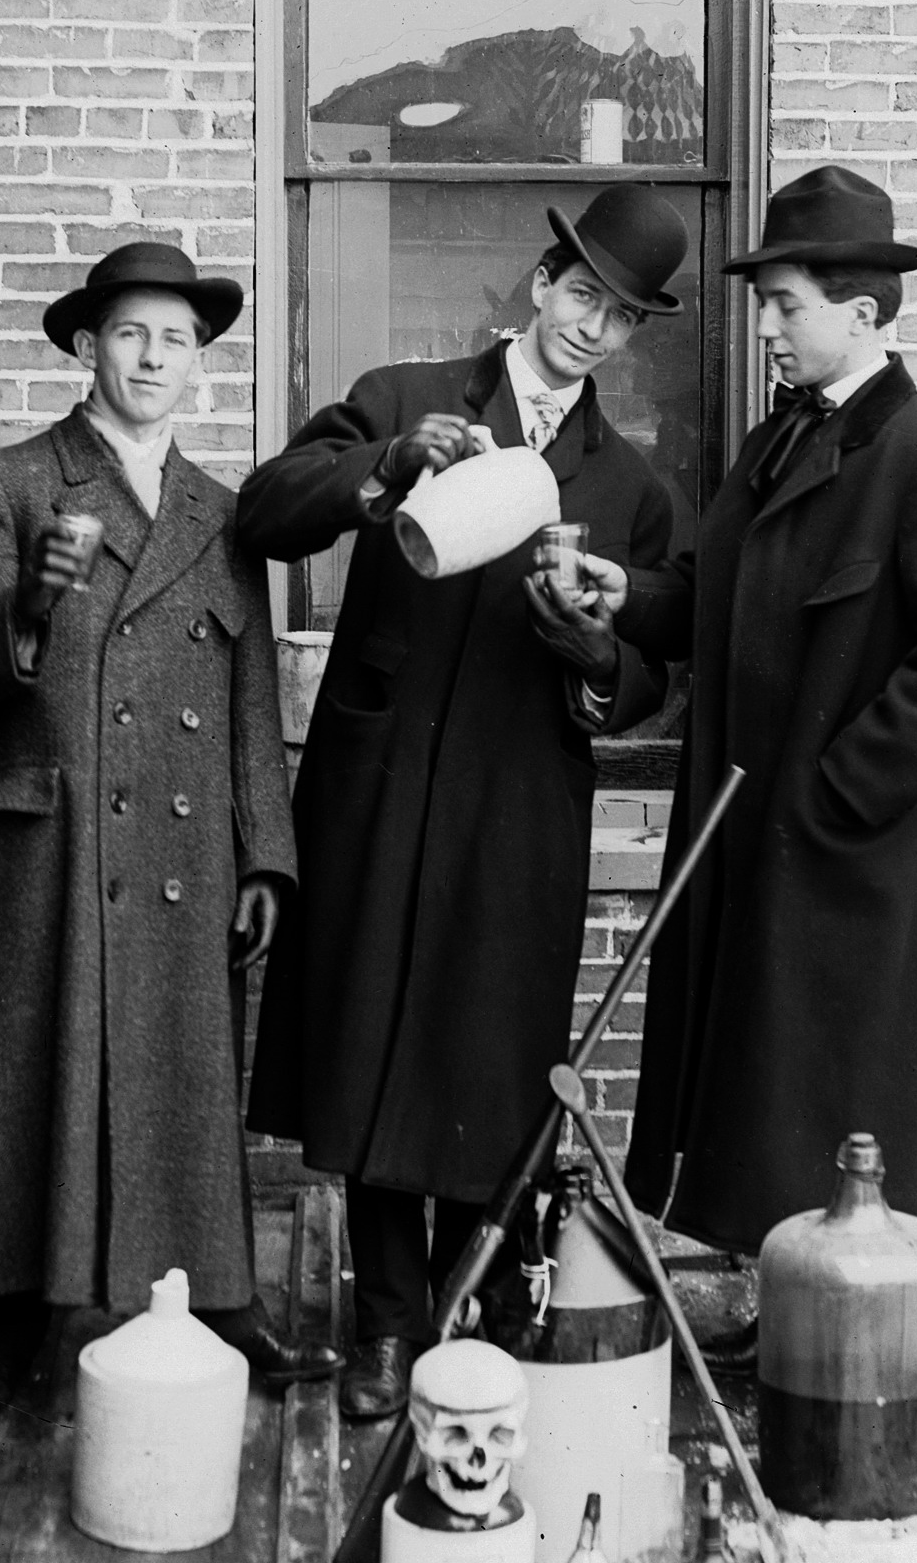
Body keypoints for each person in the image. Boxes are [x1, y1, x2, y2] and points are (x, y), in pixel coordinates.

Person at [239, 187, 690, 1418]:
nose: (595, 328)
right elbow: (266, 510)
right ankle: (385, 1330)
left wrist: (596, 649)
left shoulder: (632, 485)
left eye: (626, 314)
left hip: (518, 805)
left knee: (486, 1065)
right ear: (540, 283)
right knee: (379, 1042)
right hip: (381, 787)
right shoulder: (400, 397)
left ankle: (464, 1317)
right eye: (584, 293)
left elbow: (653, 667)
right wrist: (383, 468)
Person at [0, 242, 341, 1427]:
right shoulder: (5, 482)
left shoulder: (224, 512)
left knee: (187, 1076)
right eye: (133, 334)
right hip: (50, 849)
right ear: (89, 346)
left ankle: (216, 1298)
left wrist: (265, 854)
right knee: (24, 1081)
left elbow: (251, 700)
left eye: (179, 341)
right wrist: (27, 604)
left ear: (199, 364)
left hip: (189, 860)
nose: (155, 358)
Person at [616, 168, 917, 1368]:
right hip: (763, 844)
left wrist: (837, 791)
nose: (764, 325)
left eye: (786, 303)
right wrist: (624, 600)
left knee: (845, 1102)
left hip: (854, 861)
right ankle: (791, 1304)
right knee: (775, 1096)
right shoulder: (772, 446)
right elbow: (707, 598)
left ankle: (856, 1337)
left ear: (863, 312)